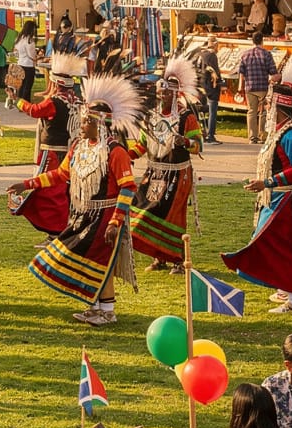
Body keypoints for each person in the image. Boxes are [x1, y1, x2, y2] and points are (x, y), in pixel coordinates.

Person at [24, 73, 140, 327]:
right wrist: (28, 184)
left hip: (106, 215)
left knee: (101, 261)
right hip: (83, 214)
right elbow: (61, 174)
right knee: (79, 257)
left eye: (87, 121)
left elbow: (128, 188)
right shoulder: (79, 146)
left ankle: (107, 311)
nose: (82, 124)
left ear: (101, 124)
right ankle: (95, 306)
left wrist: (116, 221)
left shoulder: (115, 151)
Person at [224, 57, 292, 316]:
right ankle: (285, 288)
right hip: (276, 199)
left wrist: (269, 182)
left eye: (269, 105)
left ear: (279, 108)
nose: (265, 110)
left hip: (286, 200)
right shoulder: (282, 130)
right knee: (269, 241)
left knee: (278, 245)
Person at [130, 56, 204, 272]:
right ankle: (159, 256)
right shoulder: (151, 116)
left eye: (167, 93)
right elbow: (143, 144)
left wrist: (185, 141)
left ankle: (179, 259)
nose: (162, 96)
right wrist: (126, 155)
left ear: (175, 94)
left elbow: (198, 146)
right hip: (154, 172)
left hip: (178, 174)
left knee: (173, 215)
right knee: (145, 208)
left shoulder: (185, 117)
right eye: (161, 92)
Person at [10, 52, 85, 237]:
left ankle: (56, 230)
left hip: (52, 154)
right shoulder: (78, 100)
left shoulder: (54, 102)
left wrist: (17, 100)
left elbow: (34, 110)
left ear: (56, 83)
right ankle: (64, 227)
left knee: (48, 192)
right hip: (71, 152)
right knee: (65, 190)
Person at [238, 31, 277, 144]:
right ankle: (262, 136)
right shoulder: (266, 54)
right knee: (264, 112)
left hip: (249, 87)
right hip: (263, 87)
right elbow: (273, 72)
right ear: (262, 40)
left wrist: (240, 87)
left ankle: (252, 137)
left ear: (252, 41)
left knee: (251, 111)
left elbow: (241, 73)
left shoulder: (245, 55)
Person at [197, 39, 223, 143]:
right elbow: (215, 72)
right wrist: (220, 82)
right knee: (213, 111)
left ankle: (202, 132)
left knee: (201, 110)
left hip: (202, 85)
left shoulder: (201, 54)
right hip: (211, 86)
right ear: (215, 45)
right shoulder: (212, 56)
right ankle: (211, 135)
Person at [13, 20, 40, 105]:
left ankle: (19, 103)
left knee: (21, 86)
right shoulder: (29, 40)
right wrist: (36, 57)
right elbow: (31, 54)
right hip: (28, 65)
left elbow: (15, 52)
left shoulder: (19, 38)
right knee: (27, 86)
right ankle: (26, 104)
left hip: (20, 63)